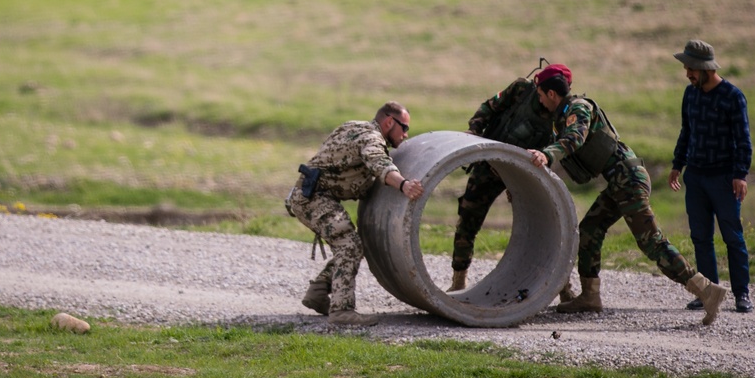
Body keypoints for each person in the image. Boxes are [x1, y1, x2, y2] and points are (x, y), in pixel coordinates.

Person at [526, 64, 728, 326]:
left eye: (541, 94)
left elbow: (575, 137)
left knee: (651, 242)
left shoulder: (578, 108)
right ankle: (590, 296)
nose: (540, 100)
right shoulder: (562, 114)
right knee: (589, 230)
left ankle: (707, 291)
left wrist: (548, 155)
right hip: (619, 181)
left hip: (629, 179)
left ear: (552, 94)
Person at [285, 101, 424, 326]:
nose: (406, 134)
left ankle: (319, 292)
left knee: (352, 243)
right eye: (405, 128)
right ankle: (342, 311)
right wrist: (404, 185)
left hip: (310, 195)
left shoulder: (353, 126)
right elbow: (380, 165)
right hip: (314, 198)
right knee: (349, 245)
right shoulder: (372, 139)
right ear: (389, 122)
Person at [446, 65, 575, 304]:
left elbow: (565, 145)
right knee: (468, 217)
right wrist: (474, 130)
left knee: (547, 230)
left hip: (527, 173)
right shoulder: (521, 91)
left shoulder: (567, 113)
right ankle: (458, 281)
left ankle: (563, 288)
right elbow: (489, 107)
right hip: (490, 165)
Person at [668, 40, 754, 314]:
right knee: (700, 237)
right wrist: (677, 165)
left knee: (732, 237)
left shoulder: (733, 96)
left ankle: (742, 294)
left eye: (691, 68)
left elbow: (743, 140)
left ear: (706, 69)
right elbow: (686, 132)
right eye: (686, 68)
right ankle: (708, 292)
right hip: (696, 177)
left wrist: (740, 174)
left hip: (724, 178)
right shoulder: (690, 94)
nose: (687, 73)